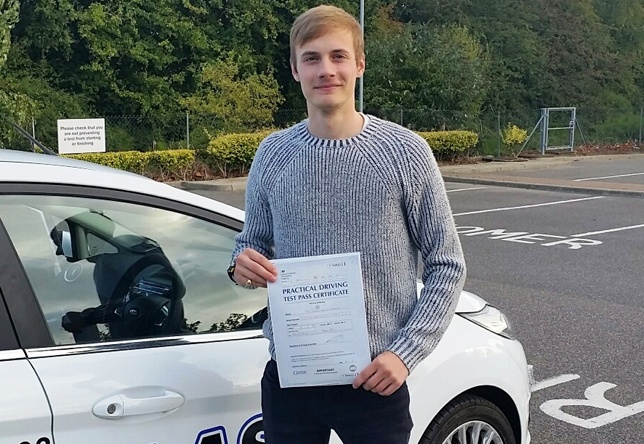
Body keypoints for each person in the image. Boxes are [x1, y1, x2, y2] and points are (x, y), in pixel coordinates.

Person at [227, 5, 466, 443]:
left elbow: (447, 264)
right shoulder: (272, 155)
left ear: (359, 64)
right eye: (312, 58)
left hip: (376, 379)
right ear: (295, 70)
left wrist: (406, 354)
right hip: (292, 377)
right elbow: (249, 245)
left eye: (338, 56)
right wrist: (240, 266)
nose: (326, 70)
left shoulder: (405, 152)